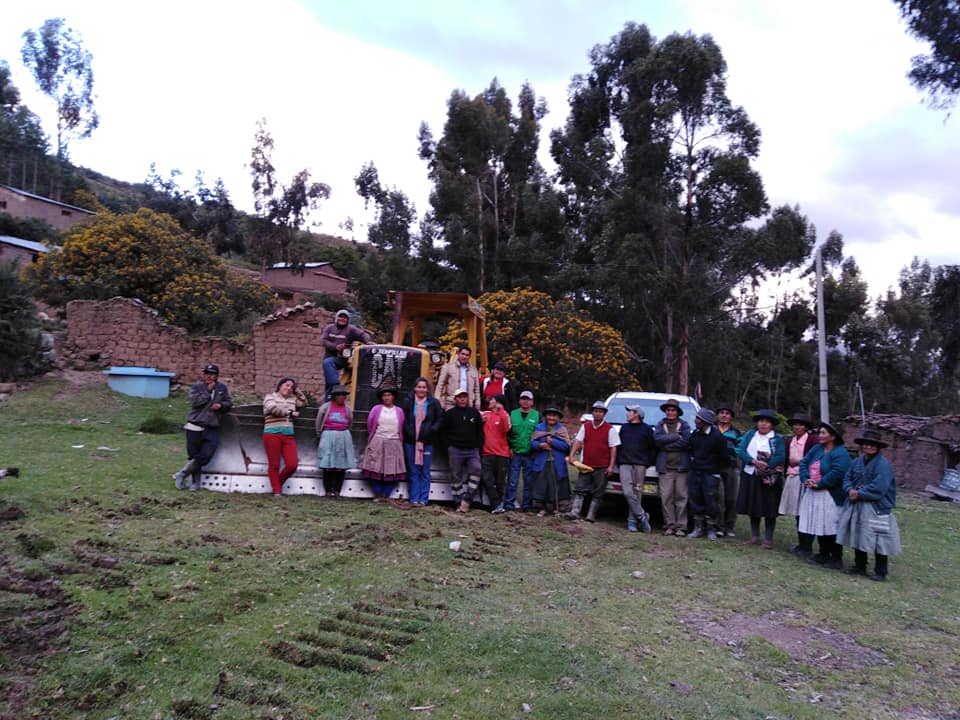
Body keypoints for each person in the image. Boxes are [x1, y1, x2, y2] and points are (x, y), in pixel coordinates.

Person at [836, 428, 902, 581]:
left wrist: (860, 493)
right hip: (857, 504)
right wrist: (850, 489)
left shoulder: (882, 464)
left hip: (877, 507)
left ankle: (881, 571)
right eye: (866, 444)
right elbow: (847, 478)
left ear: (878, 447)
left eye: (872, 445)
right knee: (858, 534)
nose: (869, 447)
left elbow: (880, 486)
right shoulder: (857, 462)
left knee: (880, 538)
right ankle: (860, 566)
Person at [798, 421, 851, 569]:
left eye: (823, 433)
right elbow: (804, 463)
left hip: (829, 494)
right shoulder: (817, 449)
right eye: (819, 432)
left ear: (833, 436)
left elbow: (838, 472)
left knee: (831, 524)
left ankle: (835, 558)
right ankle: (823, 554)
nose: (819, 435)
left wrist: (820, 483)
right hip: (813, 492)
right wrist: (805, 479)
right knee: (819, 522)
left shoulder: (840, 453)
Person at [173, 364, 233, 491]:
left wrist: (221, 406)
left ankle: (182, 474)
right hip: (195, 425)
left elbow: (229, 403)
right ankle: (195, 483)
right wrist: (208, 392)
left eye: (212, 374)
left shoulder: (222, 388)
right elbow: (195, 402)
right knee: (194, 456)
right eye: (207, 373)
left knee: (206, 455)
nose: (209, 376)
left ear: (216, 376)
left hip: (212, 426)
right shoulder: (196, 387)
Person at [735, 409, 786, 548]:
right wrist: (752, 461)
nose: (763, 424)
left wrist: (767, 465)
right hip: (751, 473)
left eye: (767, 422)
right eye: (761, 421)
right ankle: (755, 536)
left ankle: (768, 539)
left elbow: (781, 456)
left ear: (771, 425)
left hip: (769, 478)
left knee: (769, 508)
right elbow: (741, 450)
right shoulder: (750, 434)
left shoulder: (777, 439)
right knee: (753, 506)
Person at [568, 401, 620, 522]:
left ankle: (591, 515)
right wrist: (571, 455)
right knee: (580, 488)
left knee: (598, 490)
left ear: (604, 414)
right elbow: (578, 441)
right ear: (592, 413)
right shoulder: (585, 426)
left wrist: (611, 466)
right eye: (596, 411)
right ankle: (575, 512)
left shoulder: (609, 429)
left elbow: (613, 448)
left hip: (602, 465)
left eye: (600, 412)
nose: (597, 414)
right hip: (586, 464)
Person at [779, 413, 819, 556]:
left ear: (806, 427)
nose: (797, 427)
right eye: (795, 424)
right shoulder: (790, 440)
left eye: (800, 424)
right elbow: (786, 459)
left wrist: (800, 462)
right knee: (798, 513)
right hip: (792, 477)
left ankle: (806, 546)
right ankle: (802, 544)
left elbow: (815, 458)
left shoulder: (812, 440)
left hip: (805, 478)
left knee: (805, 513)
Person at [361, 382, 407, 504]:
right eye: (384, 395)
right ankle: (378, 494)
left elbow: (401, 426)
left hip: (394, 442)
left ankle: (387, 494)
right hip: (378, 441)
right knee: (375, 469)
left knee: (392, 470)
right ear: (381, 397)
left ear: (393, 397)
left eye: (389, 395)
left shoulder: (399, 411)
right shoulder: (376, 409)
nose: (387, 397)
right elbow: (370, 425)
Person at [687, 408, 729, 540]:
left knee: (711, 500)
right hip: (696, 472)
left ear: (705, 421)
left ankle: (711, 528)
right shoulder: (695, 434)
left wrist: (714, 469)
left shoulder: (718, 437)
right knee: (696, 498)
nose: (696, 420)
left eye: (698, 418)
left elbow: (724, 457)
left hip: (710, 473)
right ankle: (698, 527)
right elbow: (690, 448)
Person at [400, 377, 443, 507]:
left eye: (424, 387)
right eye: (419, 387)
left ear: (427, 389)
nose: (421, 390)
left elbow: (439, 418)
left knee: (425, 470)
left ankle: (423, 499)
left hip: (427, 441)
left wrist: (432, 430)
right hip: (410, 441)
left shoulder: (433, 403)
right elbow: (403, 418)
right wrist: (408, 431)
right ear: (415, 388)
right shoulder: (408, 401)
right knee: (413, 470)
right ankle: (414, 497)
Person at [441, 388, 484, 512]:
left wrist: (478, 445)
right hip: (455, 449)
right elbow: (443, 433)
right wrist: (448, 447)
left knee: (477, 469)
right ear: (455, 399)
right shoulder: (449, 414)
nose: (462, 399)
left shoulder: (474, 413)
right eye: (459, 397)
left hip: (472, 450)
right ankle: (458, 502)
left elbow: (480, 432)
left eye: (464, 396)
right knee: (455, 476)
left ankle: (467, 499)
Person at [263, 376, 307, 497]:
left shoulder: (293, 399)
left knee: (292, 464)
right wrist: (290, 413)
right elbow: (274, 410)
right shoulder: (270, 397)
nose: (289, 388)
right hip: (272, 433)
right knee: (274, 464)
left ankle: (277, 484)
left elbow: (304, 402)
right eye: (286, 385)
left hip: (288, 435)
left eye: (291, 387)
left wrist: (298, 391)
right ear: (280, 385)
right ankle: (277, 491)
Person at [653, 398, 692, 536]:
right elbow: (657, 440)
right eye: (668, 410)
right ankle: (669, 525)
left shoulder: (685, 425)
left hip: (682, 467)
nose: (670, 412)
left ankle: (681, 526)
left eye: (673, 410)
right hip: (665, 467)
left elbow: (686, 442)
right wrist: (676, 437)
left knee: (681, 497)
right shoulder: (660, 424)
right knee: (666, 497)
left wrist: (667, 446)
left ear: (677, 412)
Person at [616, 404, 655, 533]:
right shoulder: (624, 428)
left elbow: (652, 448)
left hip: (640, 465)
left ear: (637, 414)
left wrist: (647, 462)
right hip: (625, 464)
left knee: (637, 493)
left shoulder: (647, 429)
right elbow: (619, 446)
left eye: (630, 412)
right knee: (627, 492)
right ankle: (642, 516)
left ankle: (632, 521)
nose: (627, 414)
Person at [315, 384, 356, 498]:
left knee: (341, 465)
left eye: (343, 395)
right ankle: (328, 489)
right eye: (339, 395)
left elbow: (350, 422)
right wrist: (320, 434)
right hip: (328, 435)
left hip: (343, 436)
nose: (342, 397)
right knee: (328, 464)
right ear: (334, 396)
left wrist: (345, 433)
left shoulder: (347, 409)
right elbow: (318, 422)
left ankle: (337, 490)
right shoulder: (325, 408)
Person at [320, 309, 371, 400]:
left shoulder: (351, 329)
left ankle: (336, 386)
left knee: (328, 365)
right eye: (340, 316)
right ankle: (328, 402)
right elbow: (324, 341)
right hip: (330, 357)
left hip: (343, 359)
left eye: (345, 318)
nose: (342, 319)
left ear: (348, 320)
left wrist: (368, 341)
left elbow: (363, 334)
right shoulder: (329, 328)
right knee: (329, 378)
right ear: (336, 318)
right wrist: (335, 347)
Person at [530, 406, 572, 516]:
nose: (551, 417)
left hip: (556, 462)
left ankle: (554, 508)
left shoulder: (561, 430)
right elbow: (532, 442)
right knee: (542, 484)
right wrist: (540, 445)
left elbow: (566, 446)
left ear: (558, 418)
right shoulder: (539, 428)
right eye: (549, 415)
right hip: (542, 461)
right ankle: (542, 507)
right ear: (545, 417)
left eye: (554, 416)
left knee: (555, 484)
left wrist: (552, 442)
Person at [506, 390, 540, 511]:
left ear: (532, 402)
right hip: (515, 452)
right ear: (520, 400)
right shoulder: (512, 414)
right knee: (512, 480)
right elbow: (507, 433)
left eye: (528, 399)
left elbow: (539, 434)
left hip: (530, 453)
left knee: (528, 480)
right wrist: (509, 447)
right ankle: (509, 503)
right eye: (523, 399)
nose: (526, 401)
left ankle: (526, 504)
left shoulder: (537, 415)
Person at [714, 402, 742, 537]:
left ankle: (729, 526)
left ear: (731, 416)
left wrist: (725, 452)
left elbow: (739, 449)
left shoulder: (736, 432)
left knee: (731, 498)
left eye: (727, 413)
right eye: (722, 413)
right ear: (718, 415)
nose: (724, 416)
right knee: (719, 497)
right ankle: (718, 526)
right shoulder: (711, 429)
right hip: (714, 467)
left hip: (731, 467)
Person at [480, 394, 512, 513]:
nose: (489, 401)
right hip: (487, 453)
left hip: (502, 454)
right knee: (487, 479)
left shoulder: (505, 415)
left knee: (500, 482)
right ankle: (496, 504)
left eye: (492, 399)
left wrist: (501, 410)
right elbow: (475, 416)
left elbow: (506, 428)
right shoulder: (486, 414)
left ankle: (500, 505)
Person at [435, 346, 481, 411]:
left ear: (469, 357)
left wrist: (477, 403)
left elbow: (477, 389)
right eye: (463, 354)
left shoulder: (474, 370)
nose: (464, 357)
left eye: (467, 355)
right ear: (458, 354)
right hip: (451, 403)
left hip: (468, 404)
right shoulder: (448, 367)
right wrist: (437, 400)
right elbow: (440, 385)